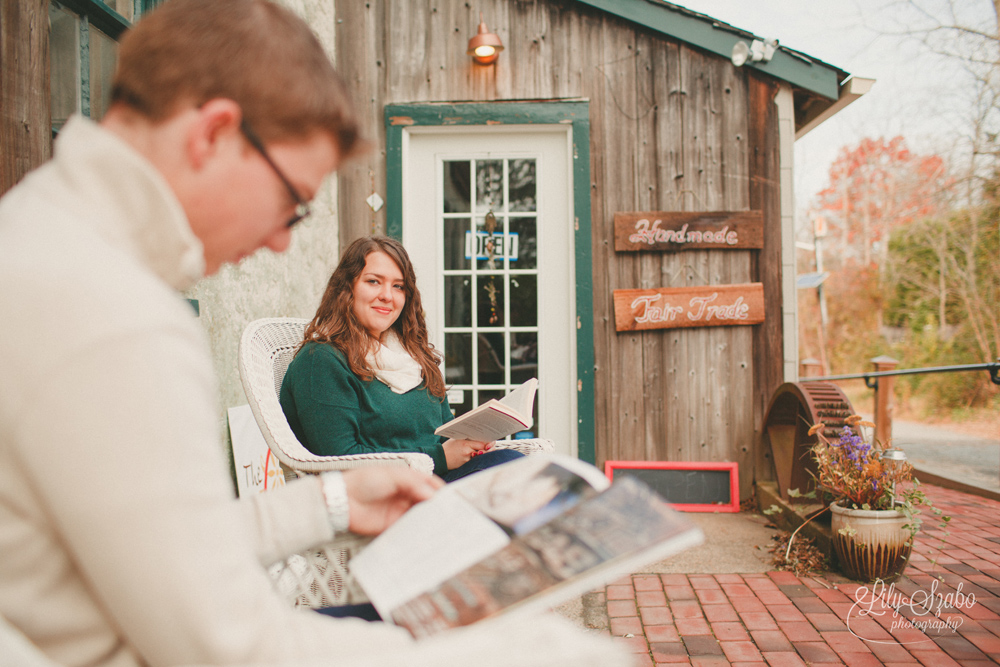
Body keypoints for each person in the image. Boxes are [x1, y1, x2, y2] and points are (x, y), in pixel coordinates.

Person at [280, 236, 523, 483]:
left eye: (398, 286)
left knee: (520, 468)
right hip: (382, 499)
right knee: (512, 469)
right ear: (347, 288)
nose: (387, 295)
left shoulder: (415, 357)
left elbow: (444, 434)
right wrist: (439, 458)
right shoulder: (322, 360)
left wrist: (469, 444)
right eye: (374, 281)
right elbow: (340, 459)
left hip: (433, 485)